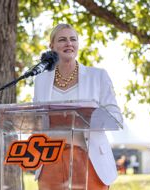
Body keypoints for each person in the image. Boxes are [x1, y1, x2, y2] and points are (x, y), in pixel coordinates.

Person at [33, 24, 122, 190]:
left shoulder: (98, 76)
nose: (69, 43)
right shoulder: (40, 80)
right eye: (62, 39)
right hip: (51, 159)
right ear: (52, 46)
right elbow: (36, 121)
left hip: (89, 158)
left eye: (73, 39)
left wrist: (88, 116)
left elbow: (115, 116)